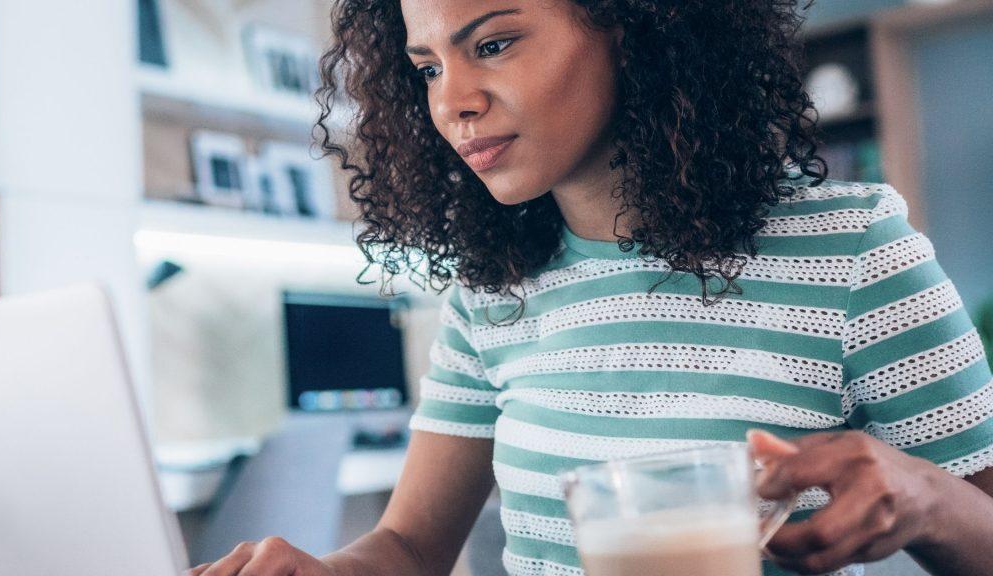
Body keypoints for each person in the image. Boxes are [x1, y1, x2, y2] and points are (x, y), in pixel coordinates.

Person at [187, 1, 993, 575]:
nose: (452, 102)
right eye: (427, 67)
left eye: (494, 45)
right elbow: (405, 548)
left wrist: (925, 498)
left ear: (634, 26)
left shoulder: (850, 250)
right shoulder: (491, 293)